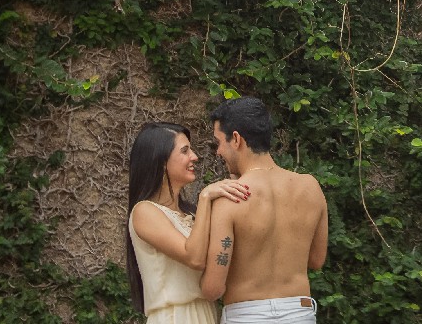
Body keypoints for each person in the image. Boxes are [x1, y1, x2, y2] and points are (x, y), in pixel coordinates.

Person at [199, 97, 328, 323]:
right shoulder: (311, 187)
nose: (218, 151)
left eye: (219, 142)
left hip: (247, 315)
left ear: (236, 139)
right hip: (299, 312)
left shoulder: (229, 198)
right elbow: (316, 260)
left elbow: (213, 289)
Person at [127, 121, 253, 323]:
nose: (194, 156)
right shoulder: (144, 212)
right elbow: (194, 258)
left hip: (207, 314)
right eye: (185, 151)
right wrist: (205, 197)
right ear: (161, 161)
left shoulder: (191, 214)